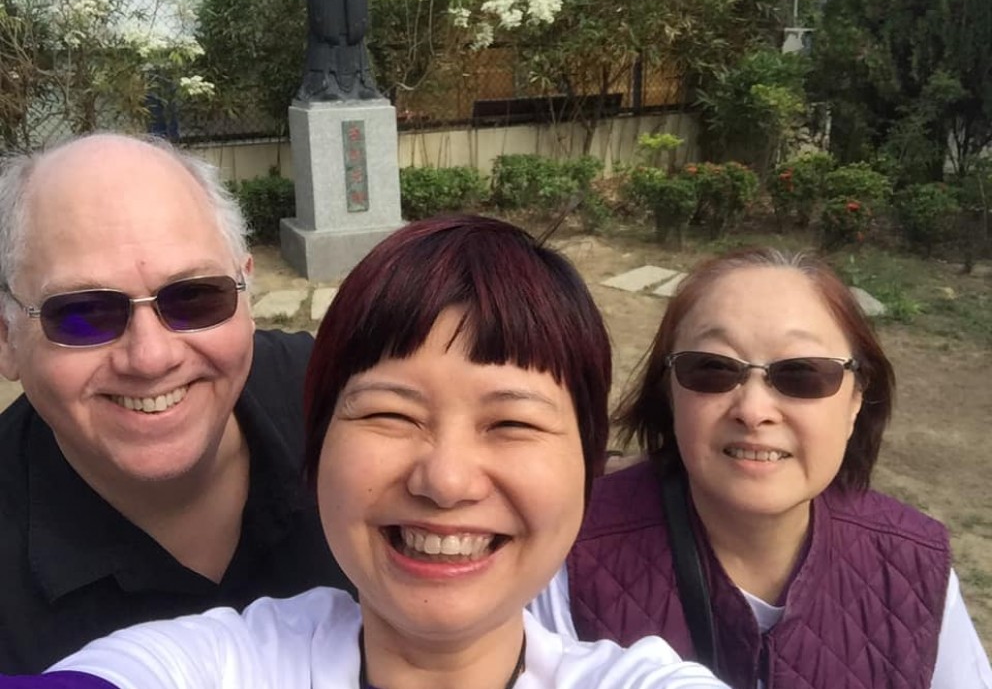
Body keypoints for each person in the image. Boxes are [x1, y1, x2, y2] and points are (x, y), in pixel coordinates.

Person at [11, 216, 730, 688]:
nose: (446, 481)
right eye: (390, 413)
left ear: (588, 464)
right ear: (318, 447)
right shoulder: (222, 664)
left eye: (512, 424)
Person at [531, 247, 992, 689]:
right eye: (712, 368)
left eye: (803, 374)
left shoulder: (913, 564)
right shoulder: (564, 554)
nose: (753, 410)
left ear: (856, 398)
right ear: (669, 391)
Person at [0, 133, 350, 673]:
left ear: (246, 298)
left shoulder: (349, 403)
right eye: (83, 314)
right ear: (6, 340)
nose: (150, 357)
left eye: (194, 297)